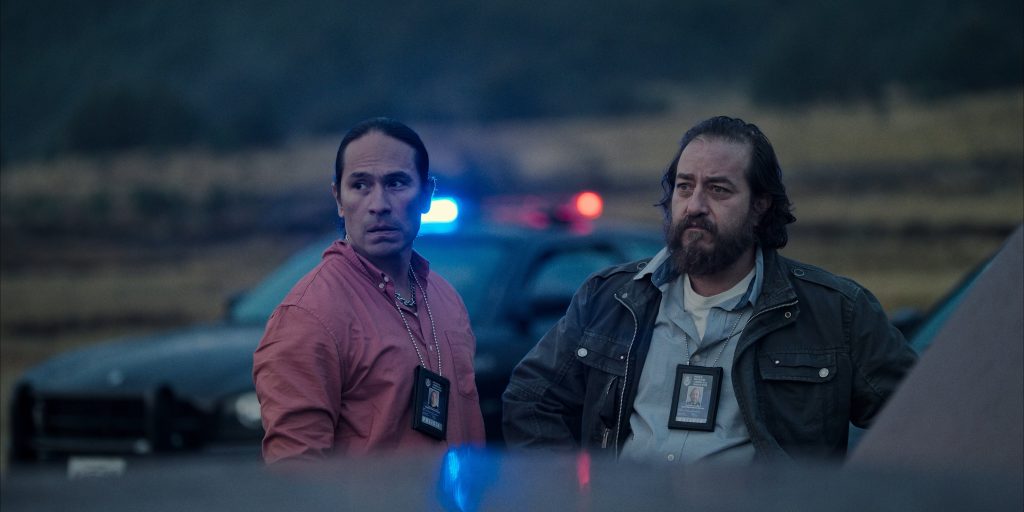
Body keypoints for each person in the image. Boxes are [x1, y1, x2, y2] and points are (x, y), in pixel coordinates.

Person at [502, 116, 917, 463]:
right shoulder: (610, 298)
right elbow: (530, 398)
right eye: (685, 187)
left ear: (760, 205)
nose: (695, 205)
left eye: (718, 189)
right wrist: (577, 493)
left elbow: (923, 422)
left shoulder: (837, 312)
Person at [253, 117, 485, 464]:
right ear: (338, 199)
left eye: (396, 183)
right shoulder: (308, 316)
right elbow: (295, 472)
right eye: (360, 185)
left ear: (426, 195)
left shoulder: (445, 298)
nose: (379, 204)